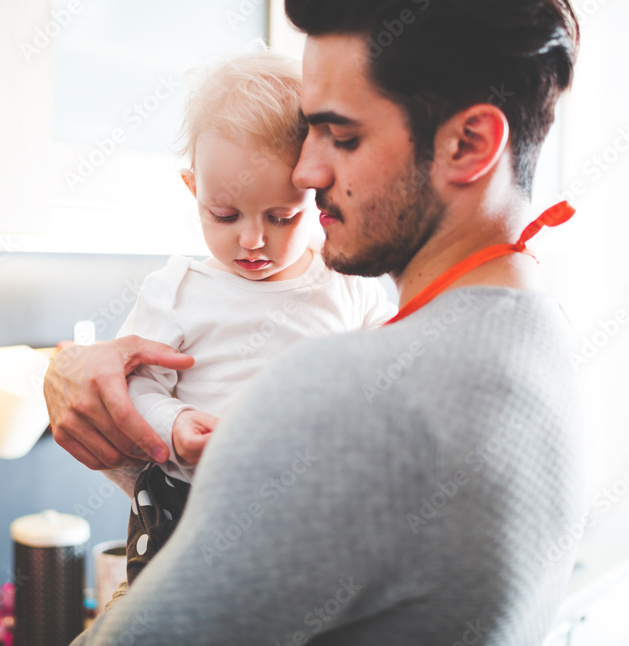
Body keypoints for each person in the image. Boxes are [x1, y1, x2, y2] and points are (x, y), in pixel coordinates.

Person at [46, 0, 587, 642]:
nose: (305, 171)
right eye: (309, 130)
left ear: (468, 144)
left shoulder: (345, 393)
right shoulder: (541, 332)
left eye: (342, 134)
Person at [108, 51, 396, 593]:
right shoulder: (177, 291)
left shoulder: (348, 284)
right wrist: (173, 422)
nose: (251, 240)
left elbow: (396, 362)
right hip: (188, 515)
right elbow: (133, 389)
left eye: (281, 217)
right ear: (194, 189)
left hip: (312, 521)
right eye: (224, 215)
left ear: (316, 193)